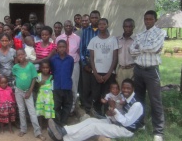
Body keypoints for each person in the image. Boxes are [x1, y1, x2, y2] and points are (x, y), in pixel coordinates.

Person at [47, 78, 144, 141]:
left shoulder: (137, 104)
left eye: (128, 88)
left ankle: (65, 139)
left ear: (133, 89)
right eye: (123, 88)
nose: (125, 90)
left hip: (125, 130)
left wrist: (114, 110)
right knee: (90, 120)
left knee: (94, 127)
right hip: (114, 122)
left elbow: (126, 122)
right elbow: (114, 112)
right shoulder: (123, 97)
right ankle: (64, 130)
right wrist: (109, 112)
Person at [129, 10, 165, 141]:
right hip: (138, 70)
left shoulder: (160, 33)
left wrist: (141, 47)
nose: (147, 21)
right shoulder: (140, 34)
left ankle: (159, 132)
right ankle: (140, 123)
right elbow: (131, 50)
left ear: (155, 20)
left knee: (155, 100)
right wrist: (145, 48)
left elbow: (155, 47)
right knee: (139, 99)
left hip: (151, 71)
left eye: (150, 19)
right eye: (146, 19)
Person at [12, 49, 46, 140]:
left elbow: (34, 78)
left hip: (28, 91)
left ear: (25, 54)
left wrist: (29, 91)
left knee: (32, 111)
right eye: (18, 55)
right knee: (21, 110)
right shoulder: (15, 67)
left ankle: (37, 132)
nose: (20, 56)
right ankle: (23, 129)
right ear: (17, 57)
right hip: (18, 91)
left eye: (22, 54)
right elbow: (16, 77)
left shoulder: (30, 66)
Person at [88, 18, 118, 116]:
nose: (101, 25)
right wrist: (95, 73)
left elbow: (115, 58)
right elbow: (91, 58)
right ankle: (97, 113)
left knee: (107, 95)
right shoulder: (93, 40)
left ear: (107, 25)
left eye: (103, 24)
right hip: (96, 73)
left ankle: (107, 114)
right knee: (96, 95)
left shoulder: (113, 40)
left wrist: (109, 74)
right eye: (100, 24)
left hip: (109, 73)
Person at [55, 20, 80, 114]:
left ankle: (72, 107)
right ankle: (63, 106)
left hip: (74, 64)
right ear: (64, 27)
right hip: (62, 64)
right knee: (62, 85)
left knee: (73, 85)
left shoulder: (77, 38)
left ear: (73, 26)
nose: (68, 27)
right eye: (66, 26)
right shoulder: (59, 38)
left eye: (70, 25)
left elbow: (79, 51)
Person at [80, 10, 100, 114]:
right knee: (86, 87)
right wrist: (84, 64)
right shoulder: (85, 31)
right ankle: (87, 108)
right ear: (90, 19)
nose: (94, 20)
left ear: (99, 18)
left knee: (96, 87)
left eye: (96, 18)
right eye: (92, 18)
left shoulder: (102, 31)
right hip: (87, 63)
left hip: (99, 64)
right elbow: (81, 49)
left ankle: (95, 107)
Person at [50, 40, 74, 126]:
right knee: (56, 106)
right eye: (60, 47)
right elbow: (52, 71)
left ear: (66, 48)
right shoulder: (53, 59)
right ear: (57, 48)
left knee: (67, 105)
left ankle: (64, 122)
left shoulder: (70, 59)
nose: (62, 49)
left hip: (67, 85)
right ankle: (57, 122)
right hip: (57, 86)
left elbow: (70, 71)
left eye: (63, 47)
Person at [35, 60, 55, 128]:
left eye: (47, 67)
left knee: (48, 111)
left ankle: (48, 125)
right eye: (43, 68)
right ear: (40, 68)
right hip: (41, 97)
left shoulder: (51, 77)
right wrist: (39, 83)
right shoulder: (38, 76)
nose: (45, 69)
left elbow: (53, 88)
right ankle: (40, 125)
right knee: (40, 111)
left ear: (49, 68)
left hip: (48, 98)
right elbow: (35, 87)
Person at [116, 18, 135, 87]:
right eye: (126, 26)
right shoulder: (117, 40)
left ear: (133, 27)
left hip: (132, 69)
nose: (128, 29)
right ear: (123, 27)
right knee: (121, 89)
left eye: (130, 27)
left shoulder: (136, 40)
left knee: (132, 90)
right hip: (121, 70)